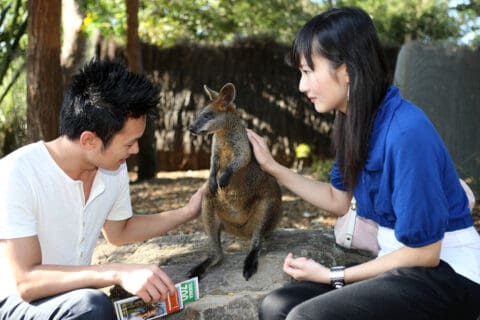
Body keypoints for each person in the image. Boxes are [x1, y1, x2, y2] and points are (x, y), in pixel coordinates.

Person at [247, 7, 480, 320]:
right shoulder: (352, 121)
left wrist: (333, 276)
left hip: (450, 274)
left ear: (346, 71)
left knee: (306, 317)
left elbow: (425, 253)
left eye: (308, 71)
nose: (302, 86)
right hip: (401, 266)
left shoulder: (406, 132)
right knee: (276, 306)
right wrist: (273, 168)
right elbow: (338, 199)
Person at [0, 59, 206, 319]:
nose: (136, 151)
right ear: (89, 140)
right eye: (129, 143)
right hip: (13, 303)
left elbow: (120, 231)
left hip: (69, 300)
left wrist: (187, 212)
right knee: (91, 306)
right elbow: (26, 282)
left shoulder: (112, 168)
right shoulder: (16, 174)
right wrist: (117, 271)